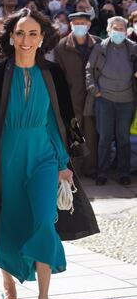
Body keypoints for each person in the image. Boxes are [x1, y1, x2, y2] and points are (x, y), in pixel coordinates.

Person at [0, 8, 98, 299]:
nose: (26, 39)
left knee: (44, 220)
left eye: (33, 33)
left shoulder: (53, 74)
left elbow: (57, 121)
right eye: (20, 33)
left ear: (42, 38)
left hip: (43, 157)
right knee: (8, 223)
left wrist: (63, 163)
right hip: (6, 159)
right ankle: (8, 288)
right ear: (11, 37)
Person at [86, 15, 137, 186]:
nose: (118, 31)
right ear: (108, 30)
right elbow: (89, 70)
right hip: (104, 99)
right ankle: (103, 172)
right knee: (105, 138)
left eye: (121, 28)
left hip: (126, 100)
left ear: (126, 31)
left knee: (123, 138)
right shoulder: (99, 48)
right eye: (115, 28)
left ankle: (124, 172)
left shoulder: (133, 48)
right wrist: (94, 90)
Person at [54, 12, 101, 177]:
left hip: (93, 95)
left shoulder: (98, 43)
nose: (79, 25)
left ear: (89, 25)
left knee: (91, 133)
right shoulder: (61, 46)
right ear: (71, 25)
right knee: (73, 133)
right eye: (76, 23)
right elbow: (58, 74)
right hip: (72, 96)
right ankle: (74, 169)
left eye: (83, 22)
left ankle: (91, 168)